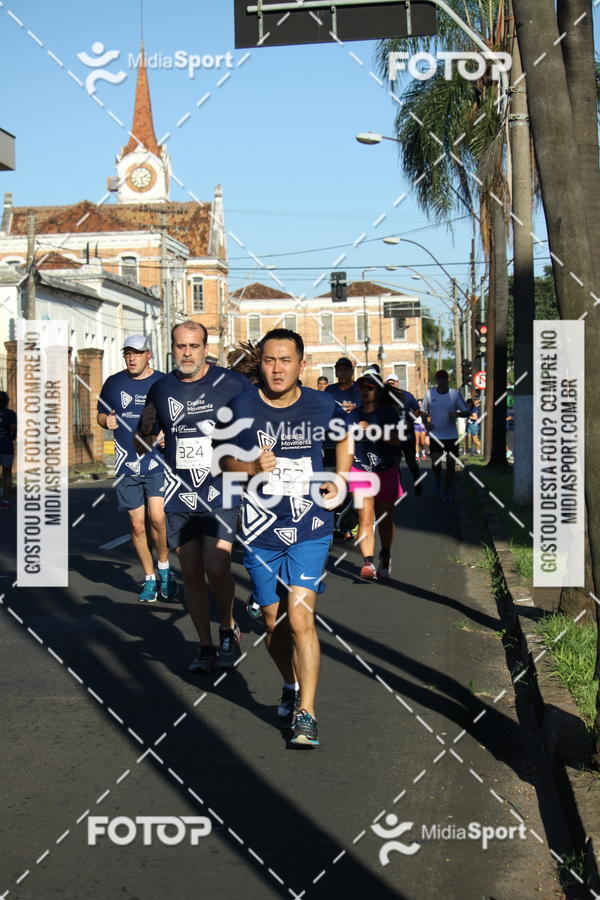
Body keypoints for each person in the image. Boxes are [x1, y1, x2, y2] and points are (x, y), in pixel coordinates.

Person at [221, 328, 351, 748]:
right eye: (270, 360)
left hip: (310, 525)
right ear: (260, 363)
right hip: (259, 531)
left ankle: (307, 714)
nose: (277, 369)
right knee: (273, 622)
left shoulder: (321, 404)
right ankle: (291, 684)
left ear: (301, 364)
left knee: (300, 618)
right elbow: (223, 461)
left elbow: (345, 436)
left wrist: (342, 478)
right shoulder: (241, 405)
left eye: (285, 360)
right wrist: (252, 467)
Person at [135, 321, 252, 673]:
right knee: (190, 569)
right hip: (180, 494)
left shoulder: (232, 383)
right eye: (180, 346)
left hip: (221, 488)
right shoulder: (161, 387)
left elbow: (259, 421)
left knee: (217, 567)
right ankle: (205, 645)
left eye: (194, 346)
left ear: (205, 347)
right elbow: (142, 437)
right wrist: (141, 437)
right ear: (172, 348)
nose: (187, 352)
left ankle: (228, 626)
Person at [97, 336, 174, 603]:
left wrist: (168, 432)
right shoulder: (114, 383)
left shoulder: (164, 382)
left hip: (157, 460)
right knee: (137, 525)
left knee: (158, 518)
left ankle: (164, 568)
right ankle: (150, 578)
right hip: (126, 462)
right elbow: (100, 414)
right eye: (127, 353)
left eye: (137, 353)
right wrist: (105, 420)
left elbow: (178, 416)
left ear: (148, 355)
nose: (132, 358)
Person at [347, 371, 405, 581]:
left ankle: (386, 555)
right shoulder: (353, 415)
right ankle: (368, 563)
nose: (363, 391)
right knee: (365, 518)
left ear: (379, 391)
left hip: (385, 470)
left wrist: (373, 429)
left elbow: (399, 440)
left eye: (369, 387)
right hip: (360, 469)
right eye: (361, 387)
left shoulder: (389, 413)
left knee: (385, 519)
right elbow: (344, 444)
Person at [421, 370, 471, 501]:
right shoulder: (430, 394)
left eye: (444, 378)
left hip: (451, 436)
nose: (442, 381)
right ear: (437, 380)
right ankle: (438, 478)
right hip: (435, 435)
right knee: (435, 463)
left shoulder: (454, 394)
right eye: (439, 378)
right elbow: (422, 411)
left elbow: (467, 411)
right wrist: (426, 424)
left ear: (447, 380)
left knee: (450, 464)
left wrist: (457, 414)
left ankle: (447, 491)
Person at [0, 391, 17, 510]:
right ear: (7, 402)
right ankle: (5, 501)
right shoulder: (11, 414)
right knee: (7, 474)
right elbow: (13, 429)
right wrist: (12, 437)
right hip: (6, 446)